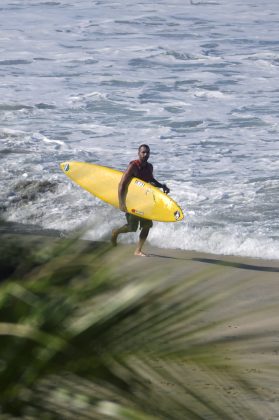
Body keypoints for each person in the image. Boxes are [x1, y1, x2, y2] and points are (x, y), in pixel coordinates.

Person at [111, 144, 170, 256]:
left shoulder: (149, 167)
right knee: (132, 227)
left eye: (147, 152)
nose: (145, 154)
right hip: (132, 200)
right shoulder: (133, 166)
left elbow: (151, 180)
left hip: (144, 200)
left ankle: (138, 250)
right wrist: (121, 202)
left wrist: (162, 186)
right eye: (143, 152)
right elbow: (121, 184)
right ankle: (115, 232)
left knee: (147, 225)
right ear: (138, 153)